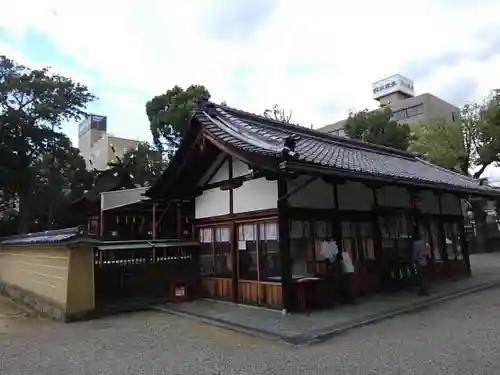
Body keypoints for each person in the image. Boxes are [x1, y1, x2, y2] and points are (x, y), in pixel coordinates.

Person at [412, 227, 431, 296]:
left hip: (419, 262)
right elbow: (428, 251)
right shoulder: (424, 243)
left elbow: (415, 254)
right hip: (425, 260)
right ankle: (426, 290)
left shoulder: (415, 244)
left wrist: (414, 262)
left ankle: (423, 291)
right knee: (425, 276)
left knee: (421, 277)